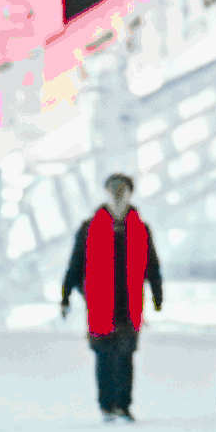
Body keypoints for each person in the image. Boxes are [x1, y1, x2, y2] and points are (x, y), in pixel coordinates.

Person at [59, 173, 162, 418]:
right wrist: (65, 295)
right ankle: (107, 405)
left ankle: (124, 404)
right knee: (104, 357)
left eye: (122, 189)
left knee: (125, 356)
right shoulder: (89, 227)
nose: (118, 193)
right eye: (113, 188)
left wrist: (158, 295)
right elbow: (75, 264)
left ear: (130, 193)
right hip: (99, 304)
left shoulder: (140, 228)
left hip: (129, 303)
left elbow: (152, 264)